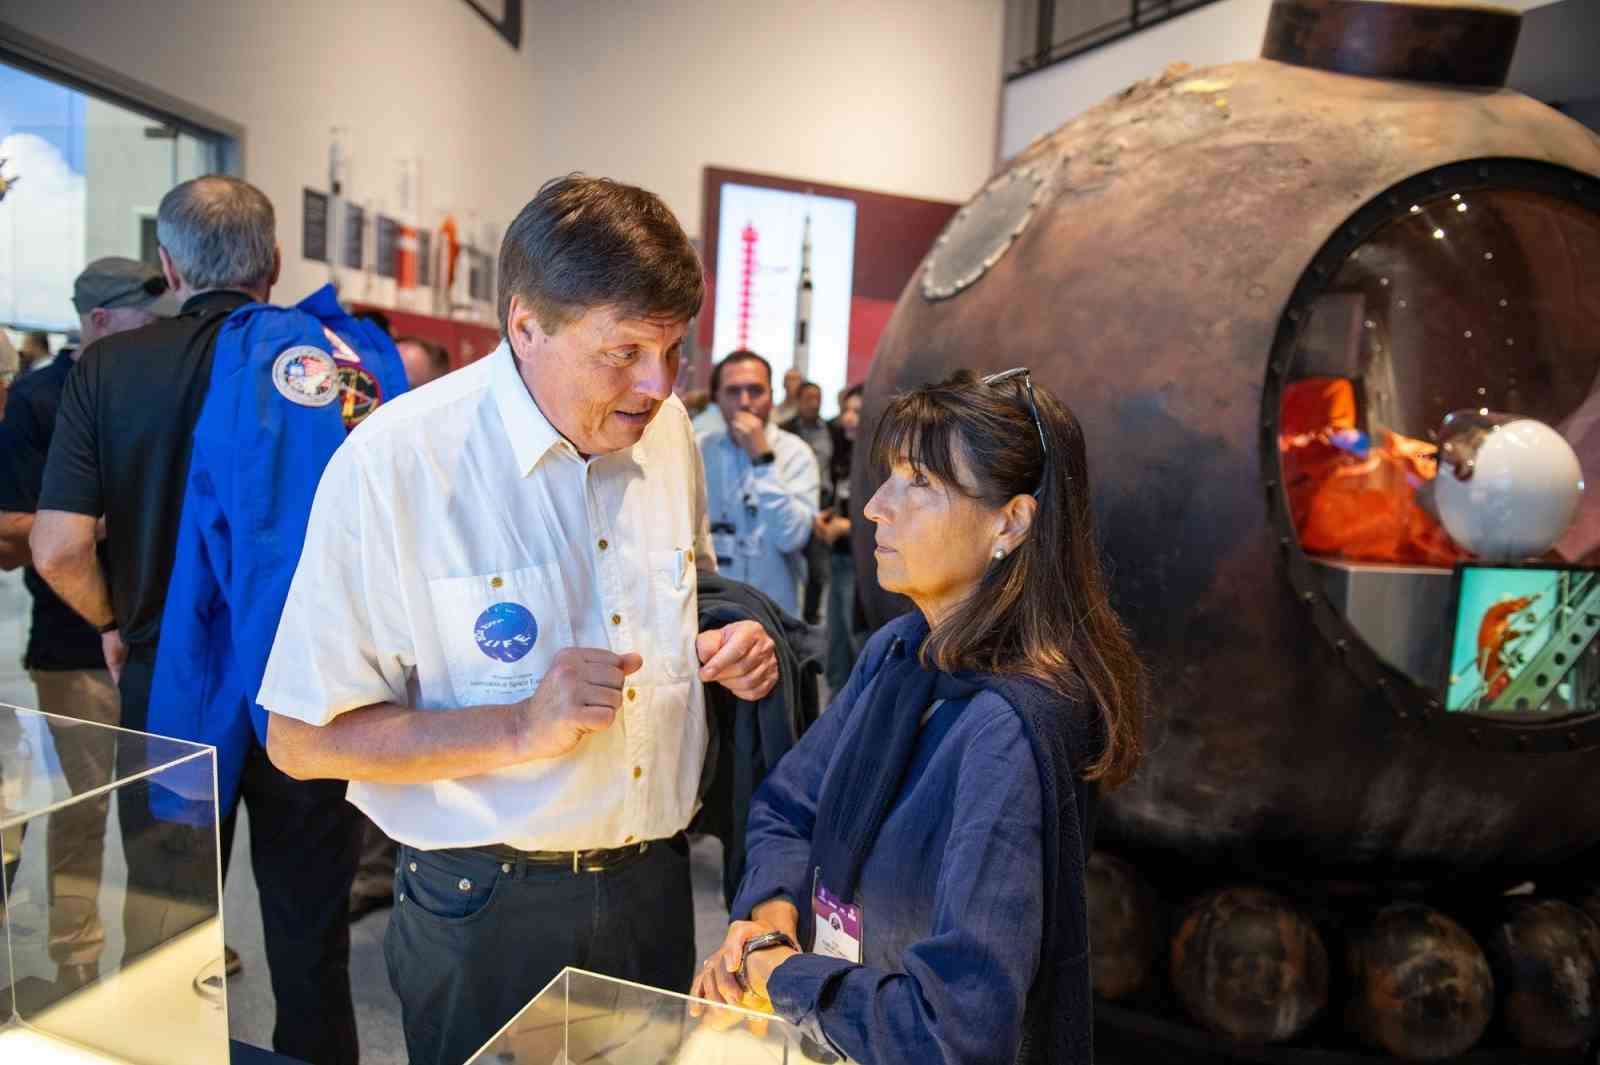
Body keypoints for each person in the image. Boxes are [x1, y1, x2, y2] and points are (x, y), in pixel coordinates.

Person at [258, 174, 781, 1065]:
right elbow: (301, 739)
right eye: (623, 352)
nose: (656, 385)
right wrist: (520, 724)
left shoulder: (669, 436)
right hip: (485, 904)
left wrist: (731, 649)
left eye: (673, 351)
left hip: (656, 888)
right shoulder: (395, 464)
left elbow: (690, 595)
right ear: (525, 325)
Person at [691, 369, 1147, 1065]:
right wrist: (770, 912)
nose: (875, 506)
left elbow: (953, 1029)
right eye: (887, 478)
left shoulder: (1009, 728)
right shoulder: (900, 653)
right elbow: (787, 806)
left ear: (1012, 521)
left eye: (918, 484)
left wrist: (777, 973)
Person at [29, 176, 365, 1065]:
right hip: (311, 691)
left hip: (166, 685)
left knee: (167, 936)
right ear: (276, 262)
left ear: (169, 265)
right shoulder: (335, 366)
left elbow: (59, 546)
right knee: (309, 940)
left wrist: (115, 622)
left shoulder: (108, 366)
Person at [0, 258, 176, 992]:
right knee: (79, 812)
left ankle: (164, 952)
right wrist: (95, 523)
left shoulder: (153, 387)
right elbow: (16, 529)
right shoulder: (39, 399)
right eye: (145, 317)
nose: (159, 332)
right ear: (100, 319)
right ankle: (76, 957)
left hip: (153, 641)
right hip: (74, 643)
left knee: (164, 814)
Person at [698, 350, 819, 616]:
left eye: (755, 391)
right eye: (733, 391)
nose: (744, 402)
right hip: (711, 610)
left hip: (775, 613)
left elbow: (792, 538)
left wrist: (763, 461)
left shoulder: (796, 453)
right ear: (716, 398)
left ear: (771, 396)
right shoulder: (699, 449)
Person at [821, 384, 864, 691]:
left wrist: (847, 527)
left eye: (857, 412)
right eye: (846, 410)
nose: (848, 418)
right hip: (838, 559)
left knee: (859, 650)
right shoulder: (844, 451)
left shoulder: (882, 461)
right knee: (835, 654)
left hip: (864, 567)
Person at [781, 381, 833, 624]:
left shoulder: (831, 430)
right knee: (793, 563)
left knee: (818, 570)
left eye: (818, 397)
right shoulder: (785, 431)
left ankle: (811, 620)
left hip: (824, 506)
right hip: (796, 503)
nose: (814, 403)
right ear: (798, 401)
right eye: (809, 398)